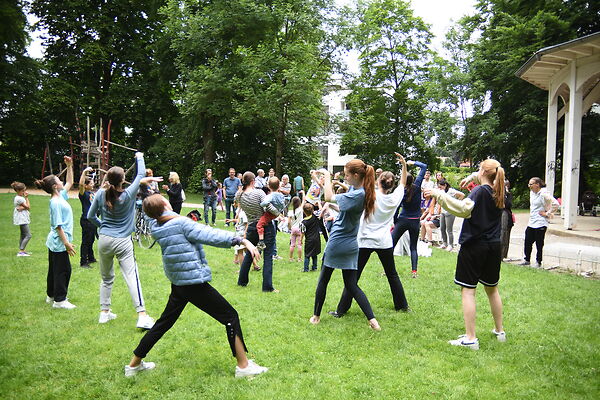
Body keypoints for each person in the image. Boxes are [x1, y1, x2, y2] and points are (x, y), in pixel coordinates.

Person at [124, 194, 268, 378]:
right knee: (230, 316)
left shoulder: (156, 224)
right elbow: (210, 235)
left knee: (163, 323)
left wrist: (143, 185)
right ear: (165, 205)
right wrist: (241, 240)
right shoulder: (181, 224)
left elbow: (146, 211)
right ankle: (243, 366)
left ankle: (133, 365)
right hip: (192, 283)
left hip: (179, 284)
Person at [425, 159, 506, 350]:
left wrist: (438, 193)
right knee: (492, 289)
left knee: (468, 291)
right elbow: (486, 180)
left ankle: (470, 338)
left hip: (475, 245)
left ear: (484, 172)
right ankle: (499, 331)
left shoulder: (479, 192)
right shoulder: (500, 191)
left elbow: (462, 209)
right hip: (494, 246)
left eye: (478, 169)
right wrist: (472, 176)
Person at [331, 153, 410, 317]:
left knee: (354, 277)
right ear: (391, 185)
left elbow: (360, 185)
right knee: (392, 275)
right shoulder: (395, 197)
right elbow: (403, 183)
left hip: (365, 240)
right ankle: (402, 306)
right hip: (384, 242)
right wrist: (404, 166)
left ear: (379, 180)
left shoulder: (369, 194)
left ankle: (341, 310)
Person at [88, 152, 158, 329]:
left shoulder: (100, 194)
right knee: (131, 277)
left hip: (104, 239)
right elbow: (141, 174)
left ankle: (104, 313)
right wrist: (140, 156)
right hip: (123, 241)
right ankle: (142, 315)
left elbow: (90, 216)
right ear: (122, 179)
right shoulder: (128, 194)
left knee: (106, 277)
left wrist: (102, 225)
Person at [309, 161, 381, 331]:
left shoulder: (357, 194)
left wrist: (327, 177)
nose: (345, 177)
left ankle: (316, 316)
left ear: (356, 175)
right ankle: (373, 322)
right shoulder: (359, 191)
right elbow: (341, 206)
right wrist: (329, 196)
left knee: (324, 279)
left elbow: (328, 196)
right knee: (351, 285)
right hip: (350, 244)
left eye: (347, 175)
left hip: (337, 242)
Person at [34, 156, 77, 309]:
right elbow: (58, 226)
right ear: (54, 186)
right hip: (59, 241)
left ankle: (51, 295)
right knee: (63, 270)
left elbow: (70, 183)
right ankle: (60, 300)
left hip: (55, 241)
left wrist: (70, 166)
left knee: (54, 269)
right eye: (58, 180)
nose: (61, 181)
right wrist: (67, 244)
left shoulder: (60, 196)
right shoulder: (55, 202)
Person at [236, 172, 279, 292]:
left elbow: (238, 203)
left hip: (251, 226)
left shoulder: (239, 194)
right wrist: (278, 213)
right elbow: (268, 207)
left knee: (250, 253)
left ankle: (242, 281)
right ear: (253, 181)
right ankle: (267, 287)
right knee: (268, 255)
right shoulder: (259, 192)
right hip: (265, 226)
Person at [391, 160, 427, 278]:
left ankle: (388, 270)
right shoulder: (417, 186)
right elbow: (424, 167)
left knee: (391, 245)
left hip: (403, 220)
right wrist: (412, 162)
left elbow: (396, 208)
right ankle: (414, 272)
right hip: (415, 221)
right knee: (413, 247)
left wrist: (395, 221)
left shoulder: (402, 191)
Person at [519, 177, 553, 268]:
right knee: (528, 241)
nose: (529, 186)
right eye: (529, 184)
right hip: (532, 222)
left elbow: (555, 203)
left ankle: (538, 262)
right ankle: (527, 259)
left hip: (541, 222)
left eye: (531, 184)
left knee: (539, 243)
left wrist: (547, 213)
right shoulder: (532, 193)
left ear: (537, 184)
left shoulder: (544, 193)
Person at [256, 177, 285, 251]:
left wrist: (260, 204)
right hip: (276, 213)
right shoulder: (281, 196)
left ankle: (261, 241)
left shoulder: (270, 196)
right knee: (266, 222)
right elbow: (283, 205)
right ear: (279, 186)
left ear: (268, 186)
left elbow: (265, 203)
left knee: (259, 225)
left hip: (269, 213)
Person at [437, 179, 464, 252]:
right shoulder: (442, 192)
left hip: (450, 212)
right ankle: (444, 243)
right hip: (443, 211)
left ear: (445, 185)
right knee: (442, 228)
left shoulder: (451, 191)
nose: (440, 188)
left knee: (449, 230)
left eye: (441, 187)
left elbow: (462, 195)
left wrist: (456, 204)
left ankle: (450, 245)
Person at [78, 167, 98, 268]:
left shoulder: (91, 193)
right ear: (86, 186)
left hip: (93, 220)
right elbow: (80, 184)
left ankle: (91, 257)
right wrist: (84, 172)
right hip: (86, 220)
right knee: (86, 241)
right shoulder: (83, 193)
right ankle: (83, 262)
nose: (93, 184)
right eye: (91, 183)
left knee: (91, 240)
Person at [12, 181, 32, 257]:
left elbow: (25, 207)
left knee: (23, 235)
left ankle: (22, 250)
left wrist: (23, 208)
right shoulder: (19, 198)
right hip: (22, 219)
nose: (24, 192)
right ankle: (21, 251)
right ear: (18, 191)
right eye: (23, 191)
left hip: (22, 218)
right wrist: (26, 198)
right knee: (28, 235)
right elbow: (28, 207)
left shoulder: (19, 198)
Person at [301, 202, 321, 272]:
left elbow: (302, 232)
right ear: (312, 210)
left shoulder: (303, 222)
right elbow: (321, 211)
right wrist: (318, 204)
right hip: (317, 238)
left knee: (307, 254)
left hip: (309, 240)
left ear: (304, 211)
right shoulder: (315, 217)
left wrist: (300, 240)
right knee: (314, 254)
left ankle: (306, 269)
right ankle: (314, 267)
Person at [288, 195, 305, 262]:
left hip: (293, 228)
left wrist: (290, 228)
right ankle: (299, 259)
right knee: (299, 244)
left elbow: (289, 222)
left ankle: (291, 258)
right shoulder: (300, 209)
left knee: (292, 245)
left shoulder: (290, 211)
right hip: (300, 228)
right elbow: (304, 199)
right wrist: (303, 192)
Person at [501, 180, 514, 261]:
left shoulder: (508, 194)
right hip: (501, 215)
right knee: (502, 234)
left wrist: (506, 193)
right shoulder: (498, 193)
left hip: (507, 217)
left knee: (506, 235)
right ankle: (500, 255)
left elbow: (508, 204)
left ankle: (504, 254)